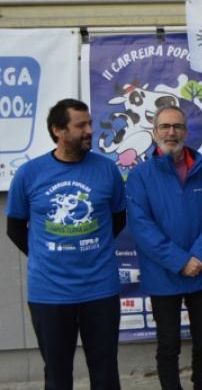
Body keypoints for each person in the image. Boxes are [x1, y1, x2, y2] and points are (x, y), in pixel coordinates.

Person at [5, 98, 125, 389]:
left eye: (90, 124)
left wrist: (90, 250)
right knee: (57, 376)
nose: (89, 131)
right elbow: (14, 227)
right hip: (50, 294)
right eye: (81, 125)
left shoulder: (107, 170)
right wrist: (48, 257)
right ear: (58, 130)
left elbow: (118, 219)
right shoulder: (29, 174)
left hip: (100, 289)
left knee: (106, 373)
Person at [127, 105, 202, 390]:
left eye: (178, 127)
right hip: (163, 275)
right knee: (168, 344)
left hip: (201, 271)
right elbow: (142, 227)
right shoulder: (140, 175)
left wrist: (198, 258)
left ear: (186, 131)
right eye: (165, 127)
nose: (172, 132)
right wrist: (181, 261)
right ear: (155, 132)